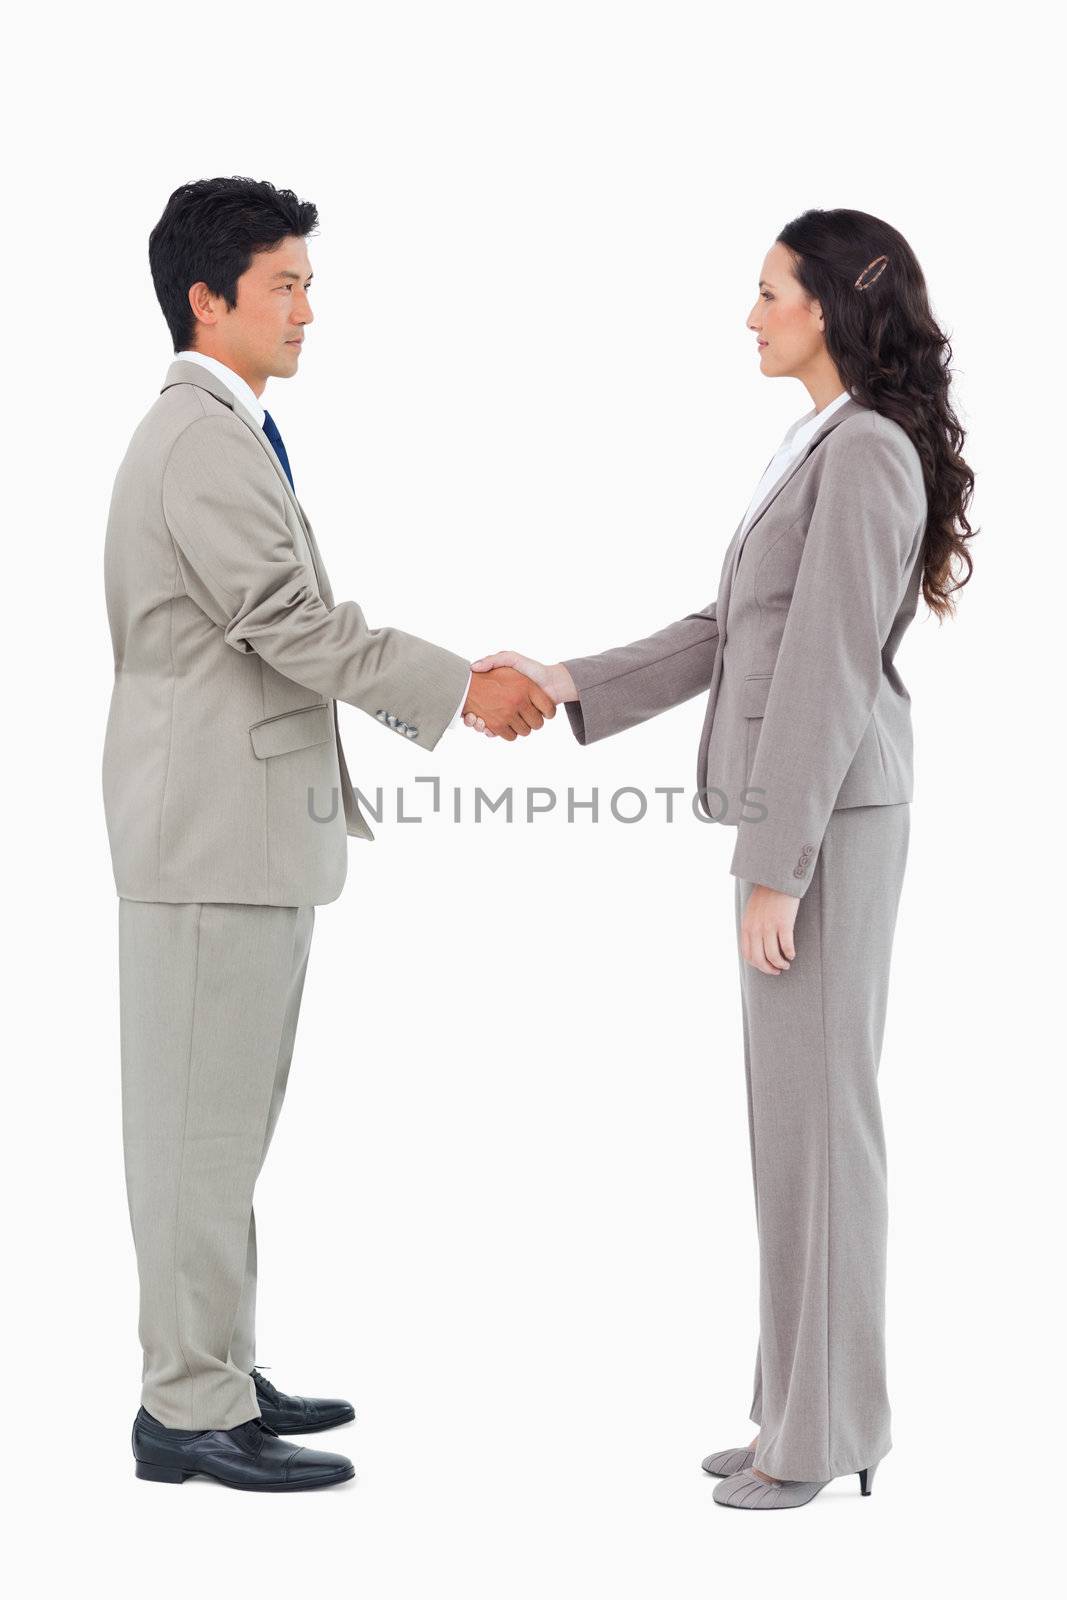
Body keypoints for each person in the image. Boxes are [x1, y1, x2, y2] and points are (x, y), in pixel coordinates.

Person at [465, 208, 977, 1510]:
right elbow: (732, 630)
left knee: (822, 1134)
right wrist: (568, 678)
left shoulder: (863, 453)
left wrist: (776, 862)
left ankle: (824, 1436)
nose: (749, 316)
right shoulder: (819, 444)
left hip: (829, 828)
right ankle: (798, 1413)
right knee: (794, 1134)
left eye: (766, 292)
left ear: (826, 307)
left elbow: (824, 671)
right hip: (814, 823)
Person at [102, 175, 555, 1492]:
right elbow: (292, 623)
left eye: (308, 281)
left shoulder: (228, 432)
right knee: (193, 1138)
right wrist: (460, 686)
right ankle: (183, 1410)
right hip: (206, 843)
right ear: (208, 297)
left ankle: (219, 1374)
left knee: (223, 1132)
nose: (310, 308)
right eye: (285, 283)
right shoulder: (195, 437)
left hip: (241, 838)